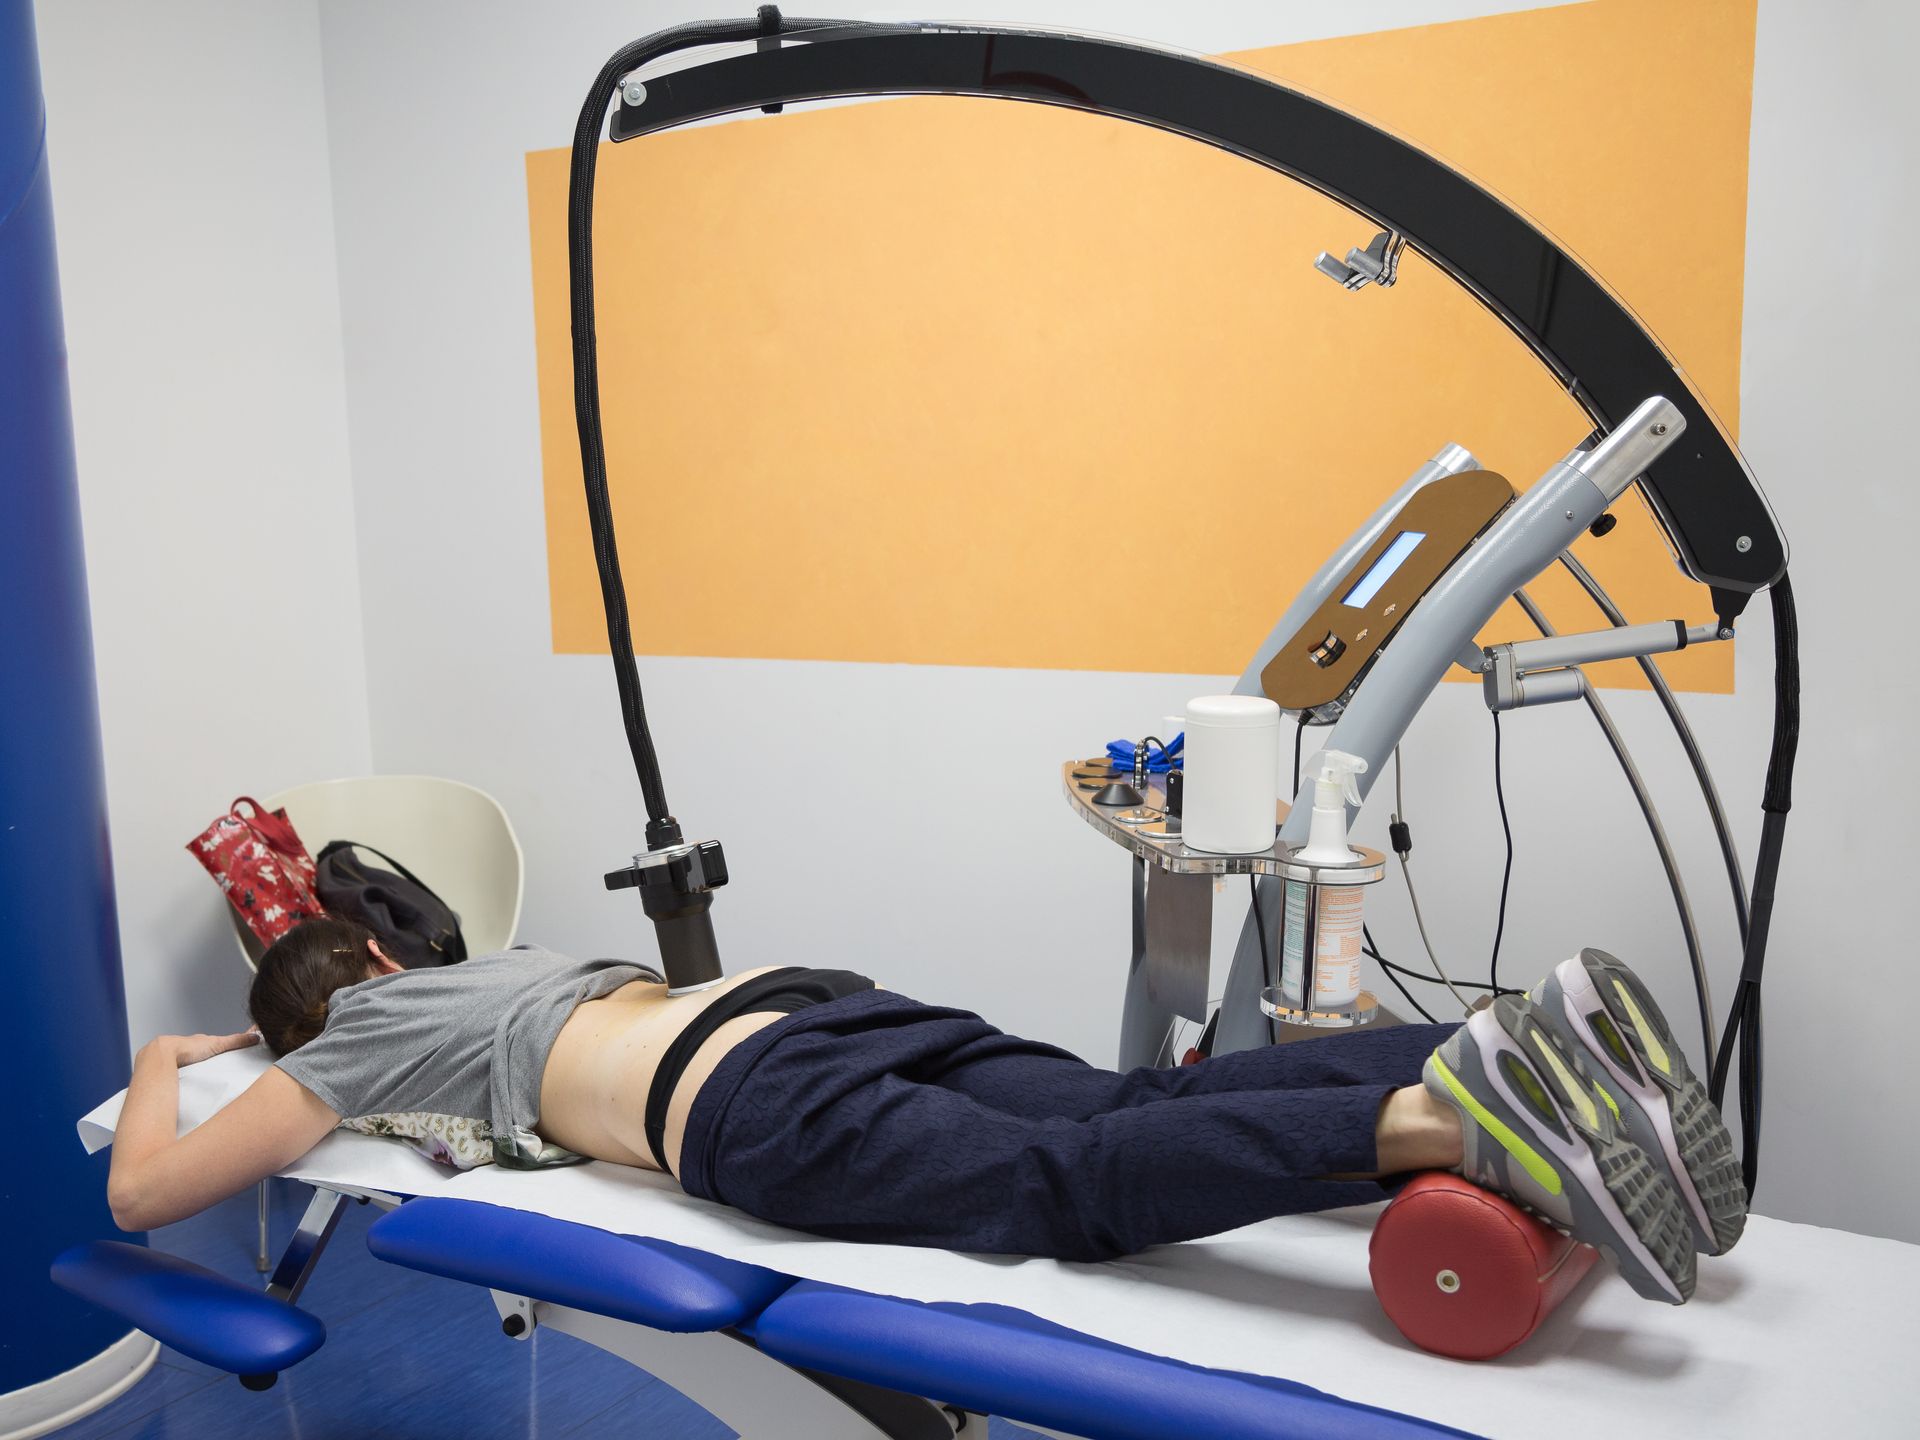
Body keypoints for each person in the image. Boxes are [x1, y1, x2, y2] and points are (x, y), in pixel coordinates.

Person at [106, 921, 1742, 1305]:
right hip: (809, 1003)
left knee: (1072, 1186)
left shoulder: (354, 1041)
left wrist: (180, 1059)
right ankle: (1499, 1042)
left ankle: (1462, 1126)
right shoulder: (502, 963)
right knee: (1128, 1102)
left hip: (731, 1101)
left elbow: (144, 1195)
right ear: (388, 950)